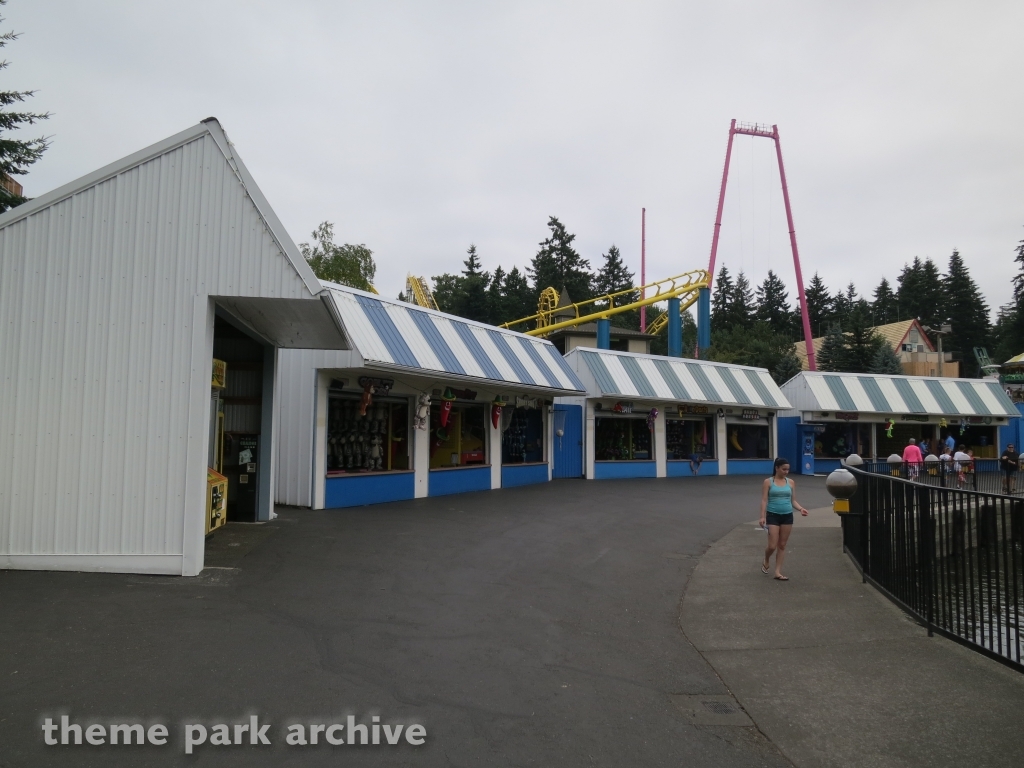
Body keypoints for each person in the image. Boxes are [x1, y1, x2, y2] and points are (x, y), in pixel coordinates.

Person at [759, 457, 809, 581]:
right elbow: (764, 500)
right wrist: (762, 516)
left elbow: (793, 500)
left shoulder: (790, 482)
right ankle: (766, 559)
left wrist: (801, 508)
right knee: (772, 546)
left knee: (782, 545)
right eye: (784, 469)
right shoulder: (768, 482)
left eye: (787, 469)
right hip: (772, 515)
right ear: (777, 468)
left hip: (787, 516)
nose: (786, 472)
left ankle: (777, 572)